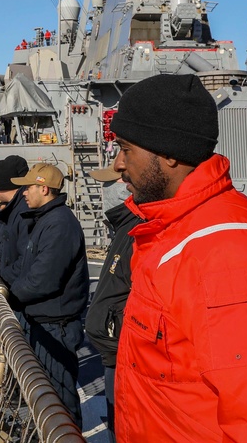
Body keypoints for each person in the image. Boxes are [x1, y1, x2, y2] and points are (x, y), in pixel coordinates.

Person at [110, 74, 247, 442]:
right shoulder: (175, 231)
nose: (117, 163)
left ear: (168, 151)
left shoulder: (225, 255)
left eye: (126, 148)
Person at [8, 162, 89, 428]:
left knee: (59, 400)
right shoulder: (45, 220)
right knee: (47, 396)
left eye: (28, 187)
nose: (24, 193)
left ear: (44, 188)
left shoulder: (59, 224)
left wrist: (10, 297)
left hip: (57, 326)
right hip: (44, 321)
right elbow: (29, 267)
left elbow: (44, 279)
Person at [83, 164, 139, 441]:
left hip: (124, 358)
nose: (106, 192)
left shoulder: (135, 232)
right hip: (113, 355)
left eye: (112, 183)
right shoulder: (123, 229)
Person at [0, 155, 30, 285]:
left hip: (18, 286)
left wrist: (5, 276)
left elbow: (26, 258)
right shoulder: (16, 207)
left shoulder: (22, 210)